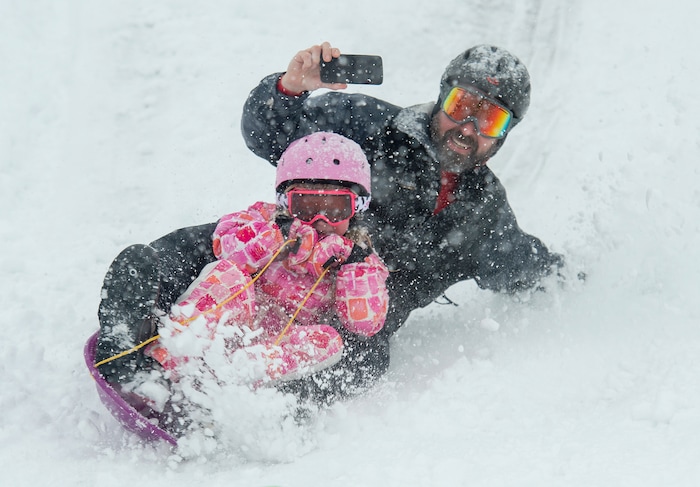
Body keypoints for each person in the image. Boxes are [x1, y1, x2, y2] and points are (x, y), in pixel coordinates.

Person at [241, 42, 565, 343]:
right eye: (461, 106)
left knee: (358, 360)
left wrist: (578, 283)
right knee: (198, 247)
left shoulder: (483, 211)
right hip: (284, 267)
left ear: (504, 135)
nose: (468, 128)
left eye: (490, 121)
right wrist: (289, 89)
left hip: (358, 321)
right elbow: (270, 137)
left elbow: (527, 267)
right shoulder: (371, 126)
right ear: (442, 98)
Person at [94, 132, 390, 424]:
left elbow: (364, 323)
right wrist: (278, 237)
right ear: (285, 203)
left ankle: (228, 397)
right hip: (227, 326)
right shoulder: (264, 222)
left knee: (329, 340)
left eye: (336, 209)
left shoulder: (359, 263)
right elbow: (227, 245)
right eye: (307, 207)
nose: (321, 221)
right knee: (230, 277)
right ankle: (164, 365)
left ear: (357, 209)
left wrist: (355, 265)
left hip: (273, 352)